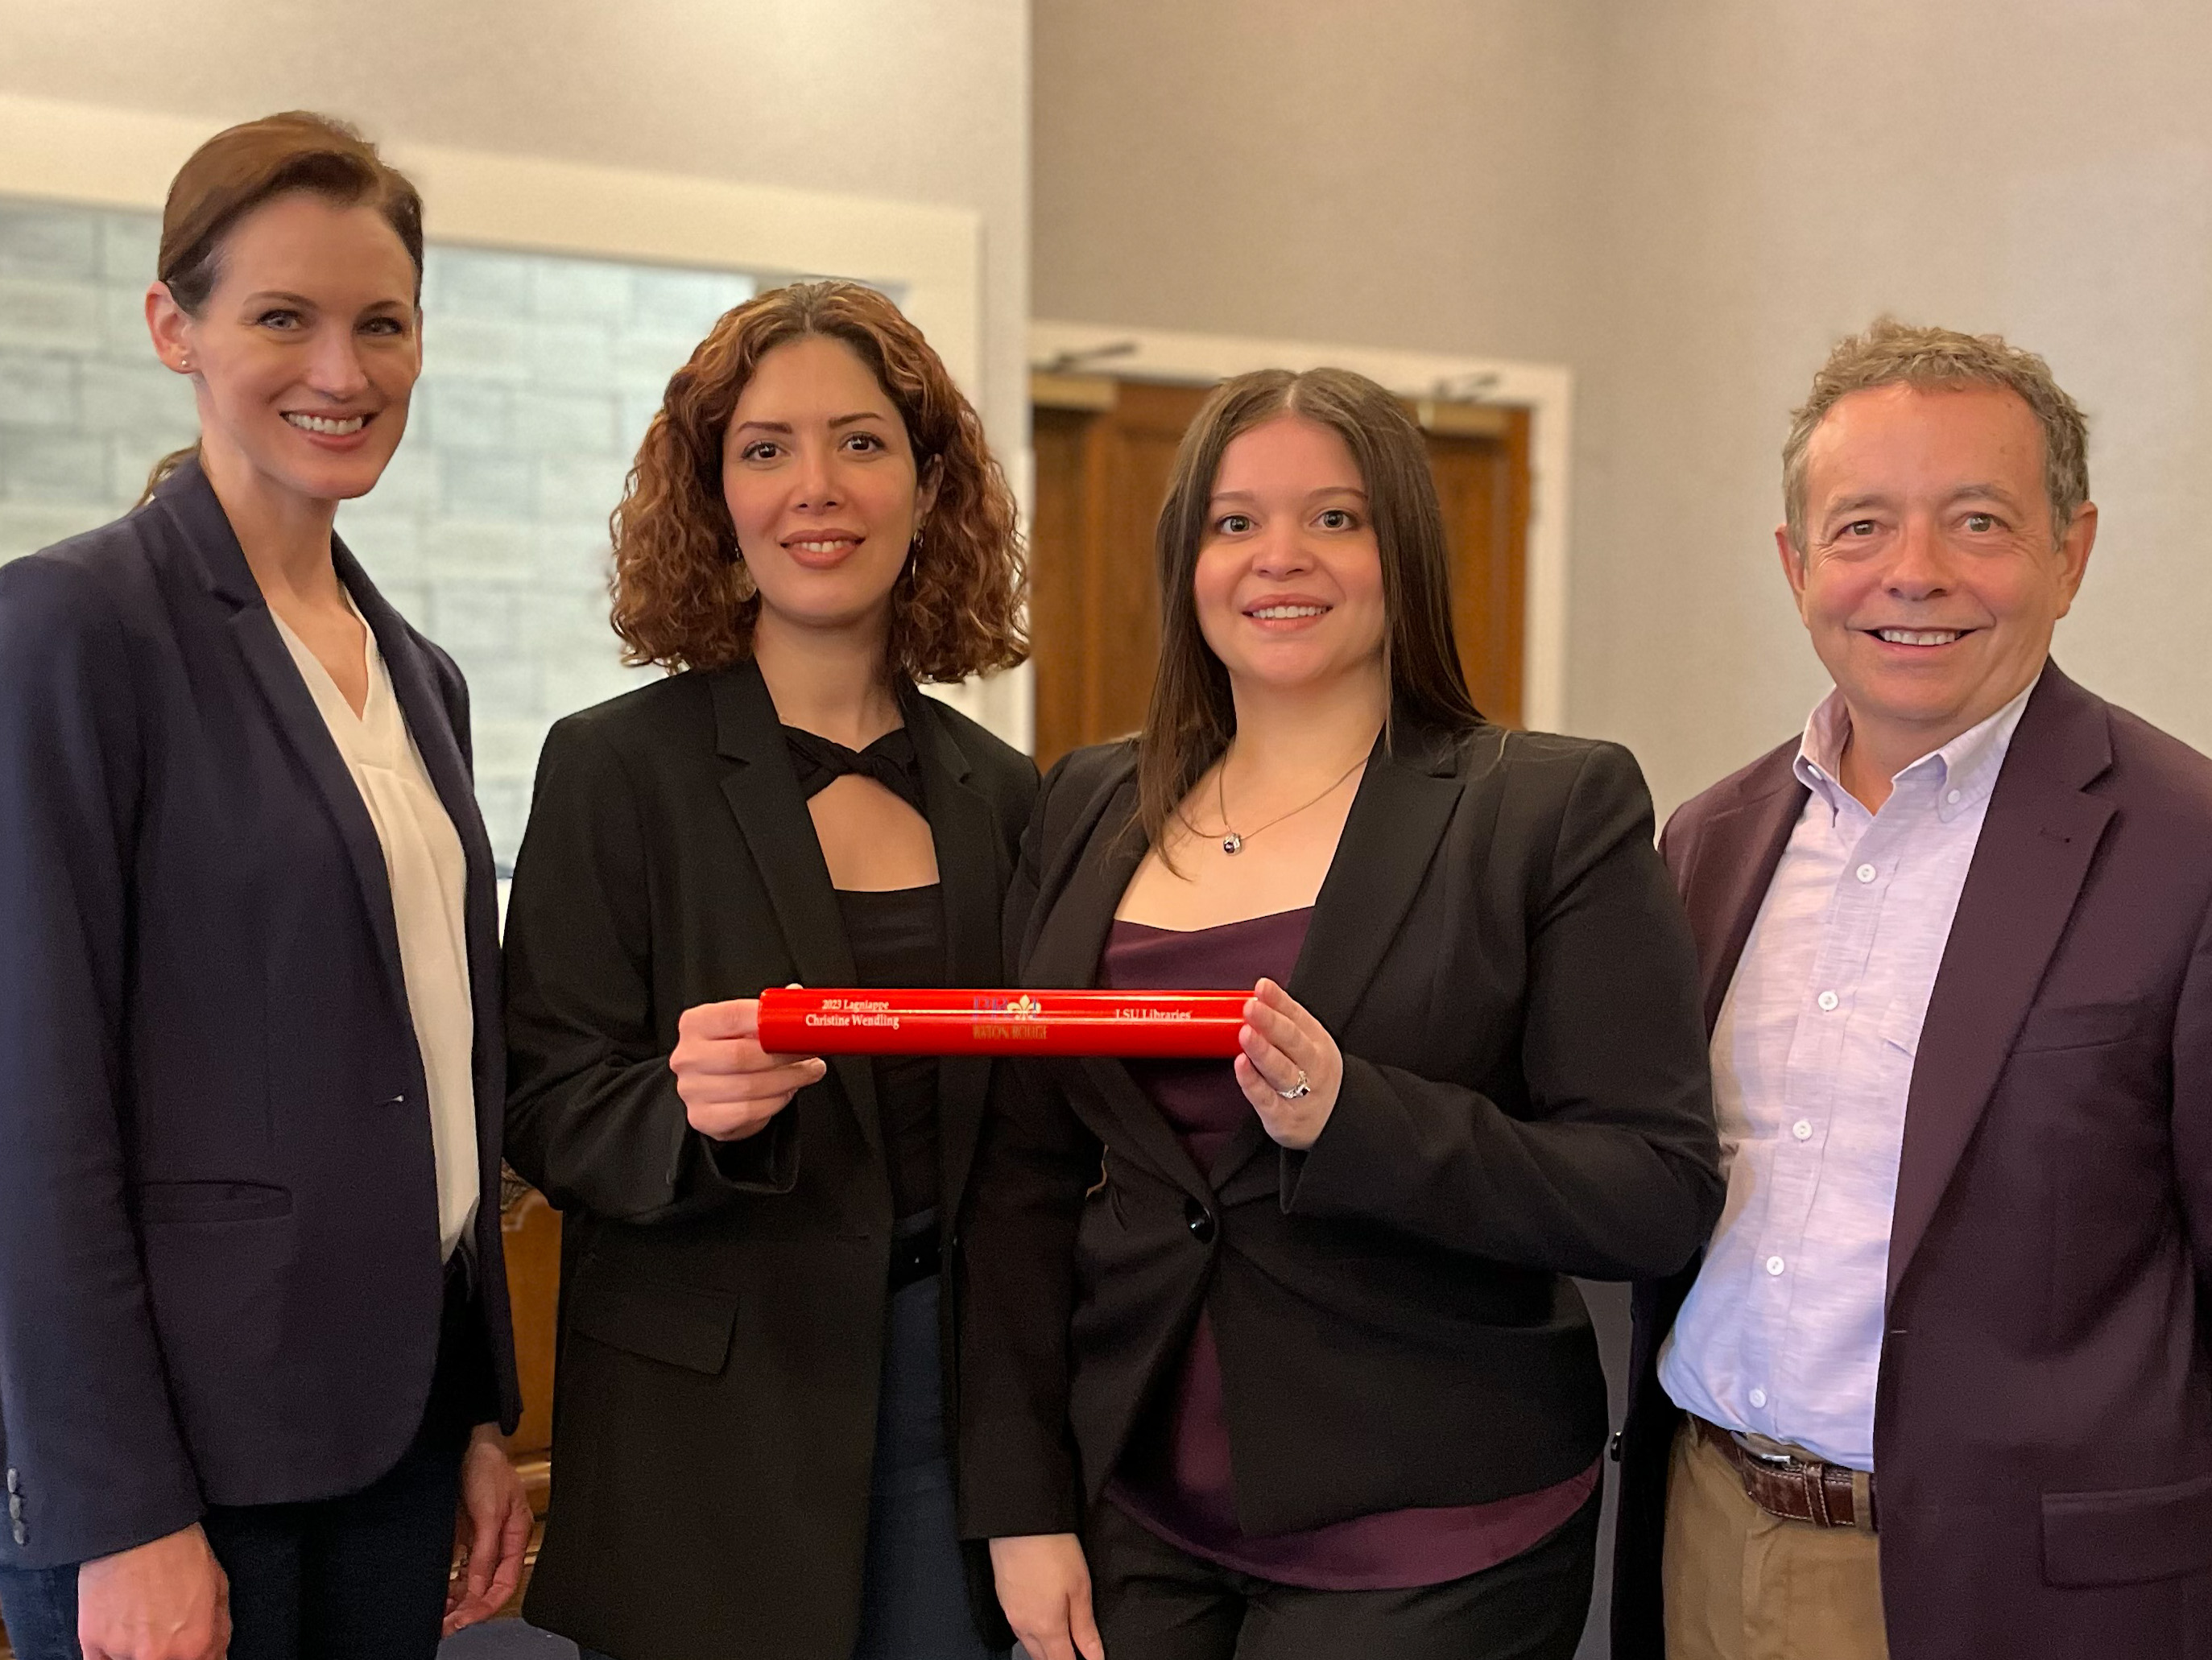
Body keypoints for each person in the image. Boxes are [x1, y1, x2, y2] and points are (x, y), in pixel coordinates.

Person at [957, 366, 1722, 1660]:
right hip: (1137, 1506)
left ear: (1403, 551)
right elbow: (1023, 1183)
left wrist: (1360, 1116)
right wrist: (1022, 1503)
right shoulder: (1086, 802)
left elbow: (1653, 1188)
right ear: (1188, 557)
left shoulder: (1547, 807)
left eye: (1336, 518)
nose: (1280, 558)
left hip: (1428, 1534)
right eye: (1235, 521)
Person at [0, 113, 527, 1660]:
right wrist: (116, 1513)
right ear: (175, 326)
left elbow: (437, 1057)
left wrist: (479, 1404)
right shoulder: (70, 631)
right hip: (182, 1480)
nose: (341, 372)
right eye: (281, 318)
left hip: (393, 1441)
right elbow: (32, 1110)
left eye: (382, 323)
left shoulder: (418, 676)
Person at [1610, 320, 2212, 1659]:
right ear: (1796, 563)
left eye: (1980, 521)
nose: (1915, 574)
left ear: (2074, 551)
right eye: (1862, 525)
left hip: (2026, 1599)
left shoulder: (2188, 849)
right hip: (1706, 1537)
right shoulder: (1706, 843)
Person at [501, 279, 1036, 1660]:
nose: (817, 487)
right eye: (765, 448)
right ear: (716, 493)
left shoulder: (1012, 796)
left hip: (954, 1410)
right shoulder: (614, 768)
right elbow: (545, 1099)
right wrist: (685, 1110)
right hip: (706, 1426)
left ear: (928, 484)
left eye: (860, 443)